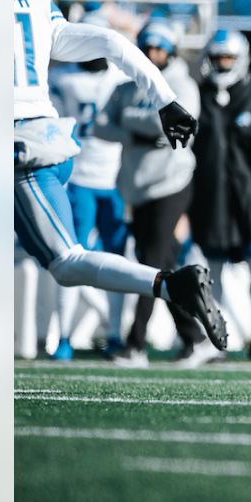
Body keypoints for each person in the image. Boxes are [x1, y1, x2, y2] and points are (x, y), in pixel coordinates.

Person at [12, 0, 225, 365]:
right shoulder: (36, 6)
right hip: (50, 141)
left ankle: (166, 291)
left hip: (22, 146)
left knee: (66, 262)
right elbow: (112, 42)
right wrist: (165, 100)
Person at [99, 20, 216, 368]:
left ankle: (136, 344)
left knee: (149, 264)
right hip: (137, 187)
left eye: (159, 48)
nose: (152, 54)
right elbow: (101, 125)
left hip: (171, 183)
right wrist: (143, 127)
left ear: (172, 50)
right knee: (162, 266)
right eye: (147, 48)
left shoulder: (181, 83)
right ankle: (195, 337)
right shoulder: (127, 84)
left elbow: (176, 124)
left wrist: (134, 123)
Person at [189, 29, 251, 360]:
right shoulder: (198, 96)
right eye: (218, 58)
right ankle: (220, 339)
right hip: (212, 196)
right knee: (213, 271)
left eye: (229, 58)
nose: (223, 65)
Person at [47, 14, 130, 360]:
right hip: (79, 179)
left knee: (118, 259)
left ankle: (114, 333)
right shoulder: (62, 78)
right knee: (71, 259)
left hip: (116, 179)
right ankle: (64, 335)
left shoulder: (122, 78)